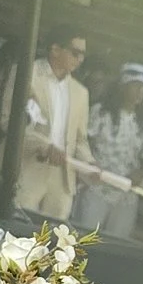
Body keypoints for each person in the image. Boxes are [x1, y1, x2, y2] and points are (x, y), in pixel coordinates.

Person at [73, 60, 143, 239]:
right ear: (123, 86)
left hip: (125, 197)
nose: (140, 92)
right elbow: (83, 143)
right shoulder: (100, 113)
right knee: (84, 241)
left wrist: (140, 173)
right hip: (96, 188)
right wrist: (88, 166)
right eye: (136, 86)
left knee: (116, 244)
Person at [15, 22, 89, 221]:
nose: (80, 59)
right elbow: (12, 122)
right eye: (75, 52)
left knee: (54, 242)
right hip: (28, 167)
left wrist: (89, 164)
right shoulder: (27, 74)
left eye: (83, 54)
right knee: (17, 235)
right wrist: (45, 146)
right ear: (55, 49)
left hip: (62, 178)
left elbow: (80, 139)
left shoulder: (81, 93)